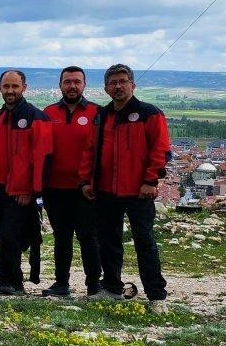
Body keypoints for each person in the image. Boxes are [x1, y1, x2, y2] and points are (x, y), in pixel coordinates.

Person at [80, 63, 171, 313]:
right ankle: (111, 288)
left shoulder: (149, 114)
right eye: (113, 83)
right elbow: (90, 151)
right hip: (106, 191)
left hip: (139, 191)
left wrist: (151, 181)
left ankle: (156, 296)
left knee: (145, 242)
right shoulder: (102, 116)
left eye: (123, 81)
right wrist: (87, 180)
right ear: (106, 88)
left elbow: (160, 150)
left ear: (133, 84)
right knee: (108, 241)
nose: (118, 86)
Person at [0, 70, 51, 295]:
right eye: (6, 87)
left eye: (15, 86)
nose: (10, 91)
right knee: (3, 236)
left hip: (21, 190)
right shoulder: (0, 115)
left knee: (11, 236)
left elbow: (42, 156)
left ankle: (8, 281)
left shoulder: (35, 116)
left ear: (24, 87)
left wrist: (32, 191)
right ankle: (13, 280)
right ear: (0, 88)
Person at [42, 66, 102, 298]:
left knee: (88, 237)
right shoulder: (48, 113)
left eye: (77, 82)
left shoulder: (98, 113)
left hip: (86, 189)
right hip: (55, 188)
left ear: (84, 85)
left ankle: (94, 285)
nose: (72, 86)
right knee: (62, 238)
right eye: (67, 82)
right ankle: (61, 283)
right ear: (60, 85)